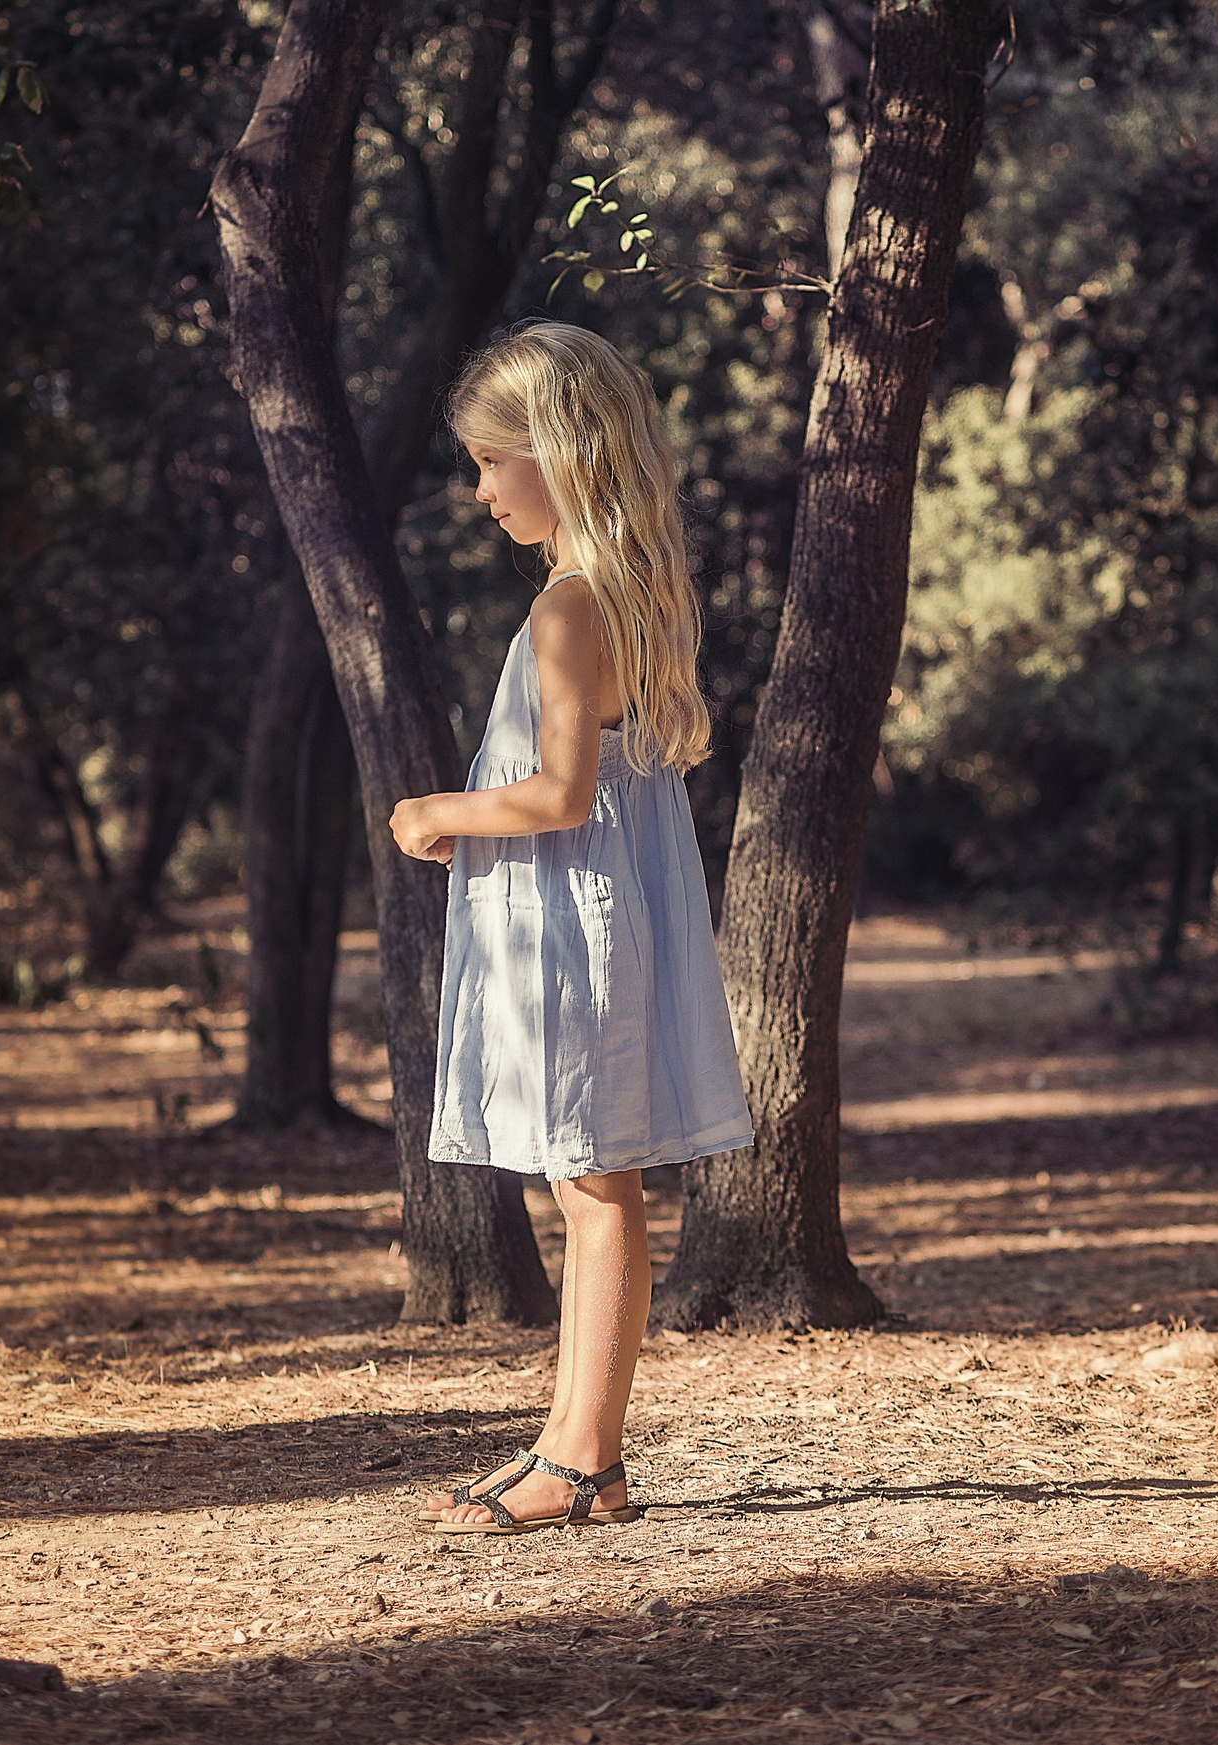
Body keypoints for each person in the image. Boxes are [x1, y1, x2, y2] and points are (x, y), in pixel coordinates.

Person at [388, 321, 753, 1536]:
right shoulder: (631, 593)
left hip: (567, 923)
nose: (481, 490)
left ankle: (586, 1460)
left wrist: (434, 806)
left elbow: (559, 795)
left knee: (593, 1186)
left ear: (561, 451)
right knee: (596, 1181)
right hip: (599, 915)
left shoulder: (567, 606)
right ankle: (570, 1443)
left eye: (495, 461)